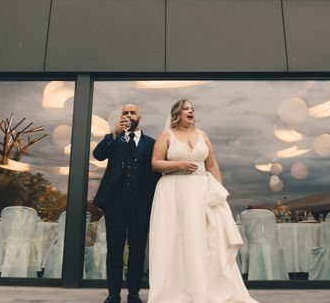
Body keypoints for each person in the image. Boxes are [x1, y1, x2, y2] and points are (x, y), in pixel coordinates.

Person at [148, 99, 258, 303]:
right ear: (177, 114)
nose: (191, 112)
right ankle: (178, 290)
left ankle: (209, 288)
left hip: (201, 190)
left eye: (192, 109)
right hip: (175, 191)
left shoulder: (202, 135)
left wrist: (218, 191)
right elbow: (155, 163)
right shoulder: (167, 135)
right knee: (180, 237)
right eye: (186, 109)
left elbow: (212, 164)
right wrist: (178, 164)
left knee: (208, 238)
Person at [92, 104, 159, 303]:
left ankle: (133, 293)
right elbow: (98, 155)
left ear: (140, 117)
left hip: (141, 203)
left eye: (132, 112)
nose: (128, 115)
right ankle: (113, 294)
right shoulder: (113, 139)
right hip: (116, 203)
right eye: (125, 112)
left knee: (138, 249)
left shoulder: (151, 143)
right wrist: (113, 134)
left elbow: (156, 171)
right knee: (115, 249)